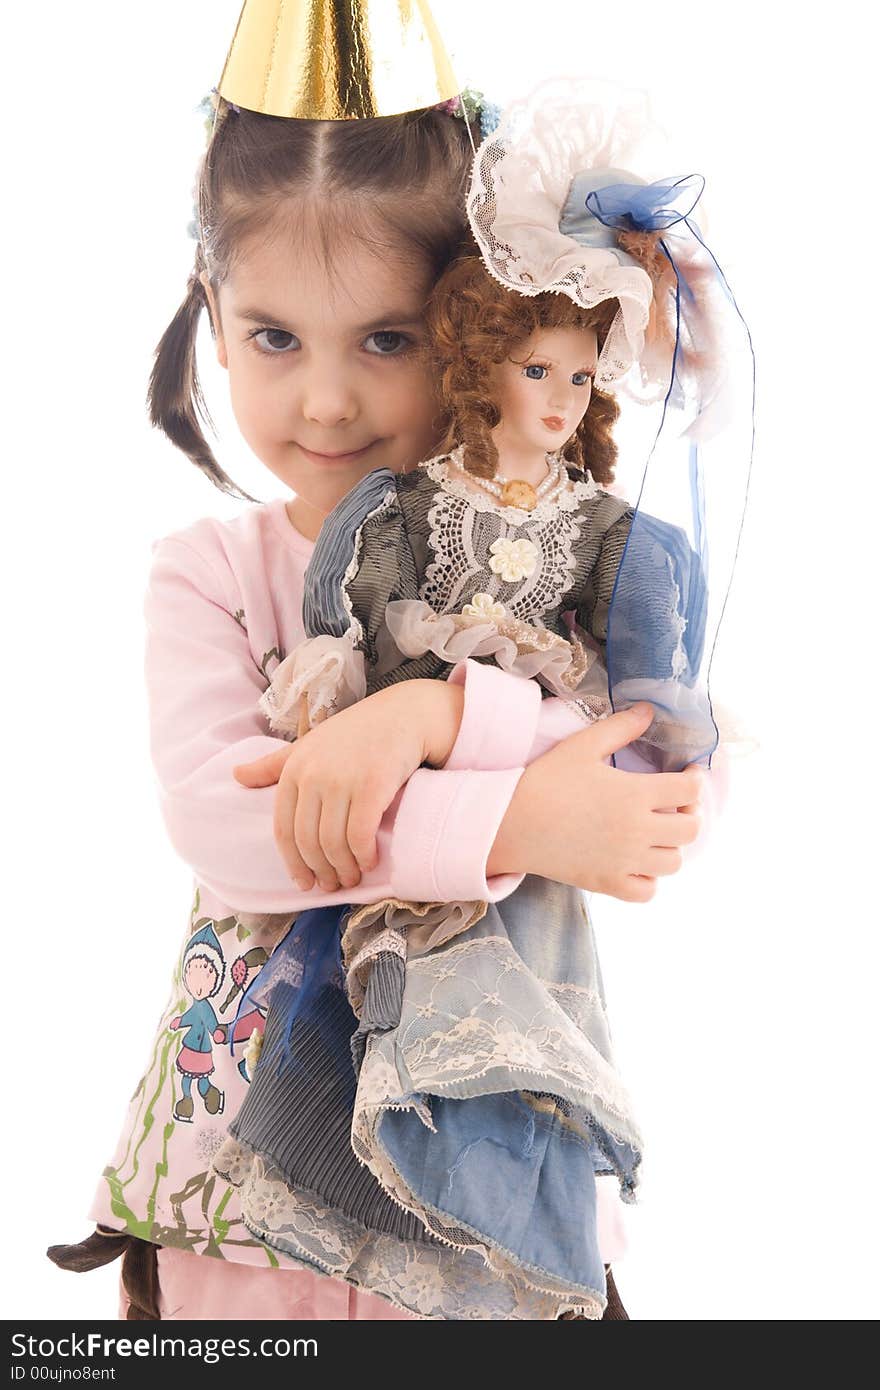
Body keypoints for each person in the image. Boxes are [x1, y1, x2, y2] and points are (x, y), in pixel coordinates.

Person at [47, 1, 734, 1322]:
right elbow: (234, 825)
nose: (325, 400)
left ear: (468, 324)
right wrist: (515, 809)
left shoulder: (554, 563)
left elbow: (642, 785)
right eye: (273, 337)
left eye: (385, 339)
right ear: (213, 306)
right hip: (245, 1194)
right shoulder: (210, 573)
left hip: (486, 1166)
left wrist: (426, 710)